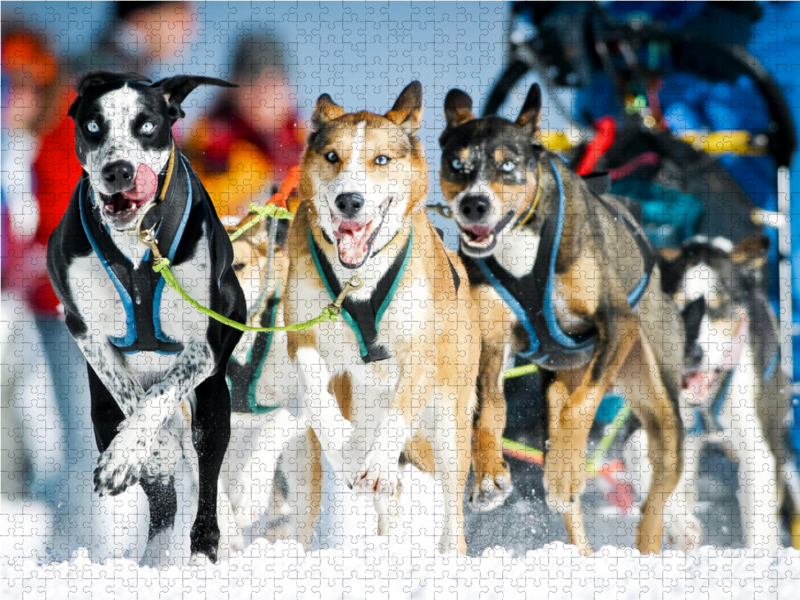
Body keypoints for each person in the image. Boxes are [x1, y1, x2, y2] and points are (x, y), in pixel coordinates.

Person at [184, 33, 304, 218]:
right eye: (252, 80)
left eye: (273, 82)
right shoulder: (208, 143)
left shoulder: (308, 143)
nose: (263, 93)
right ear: (232, 88)